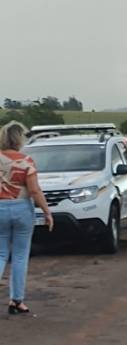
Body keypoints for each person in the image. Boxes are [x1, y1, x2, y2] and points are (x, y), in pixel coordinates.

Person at [0, 121, 53, 314]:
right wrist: (46, 212)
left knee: (1, 252)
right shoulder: (26, 161)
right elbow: (34, 190)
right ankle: (17, 300)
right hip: (22, 208)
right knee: (20, 256)